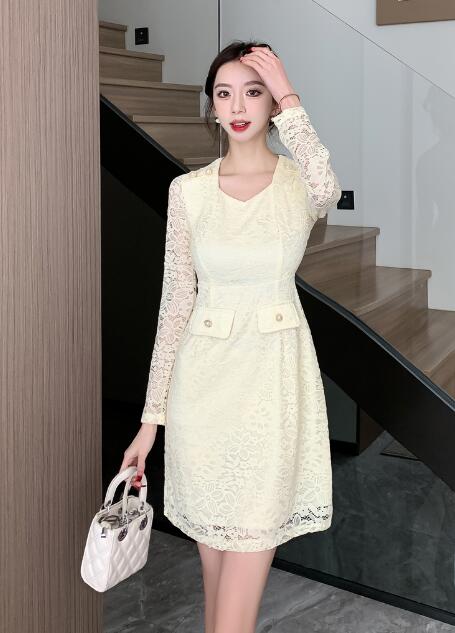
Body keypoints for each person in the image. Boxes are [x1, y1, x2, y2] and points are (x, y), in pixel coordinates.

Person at [119, 40, 342, 633]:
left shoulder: (298, 184)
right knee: (216, 591)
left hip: (272, 388)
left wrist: (290, 94)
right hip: (203, 395)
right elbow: (174, 307)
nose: (238, 106)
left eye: (254, 91)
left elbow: (328, 185)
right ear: (211, 107)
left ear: (272, 103)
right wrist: (150, 422)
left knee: (233, 612)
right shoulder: (187, 192)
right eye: (224, 93)